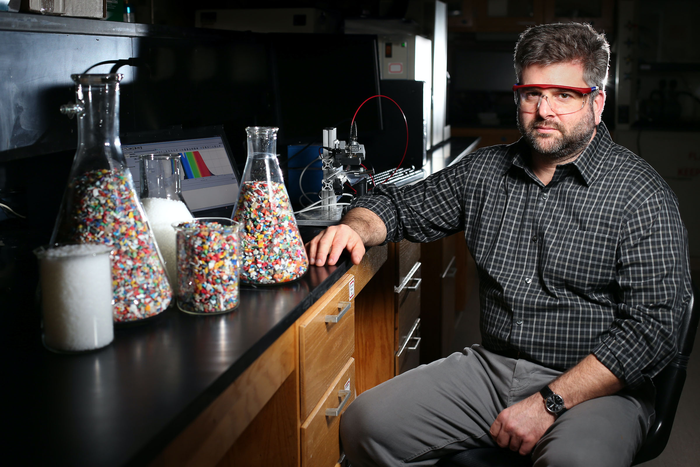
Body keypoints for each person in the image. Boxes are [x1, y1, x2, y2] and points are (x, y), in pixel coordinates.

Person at [305, 22, 693, 467]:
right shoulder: (485, 172)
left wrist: (548, 402)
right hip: (492, 369)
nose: (544, 110)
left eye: (563, 95)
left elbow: (654, 328)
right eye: (531, 94)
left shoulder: (641, 194)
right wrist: (355, 226)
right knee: (364, 425)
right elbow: (397, 204)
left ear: (596, 102)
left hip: (597, 385)